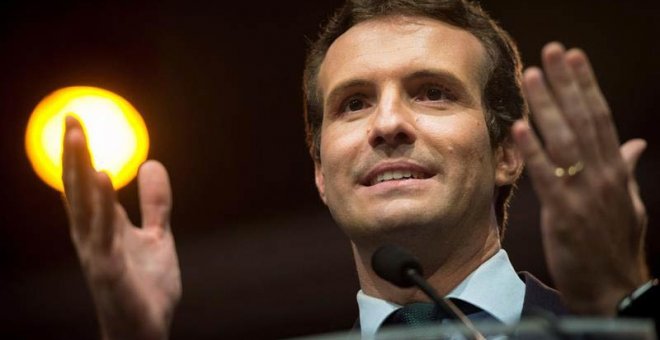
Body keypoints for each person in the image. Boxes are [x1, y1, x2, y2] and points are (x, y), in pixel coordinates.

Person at [61, 0, 653, 339]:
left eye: (433, 93)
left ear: (507, 154)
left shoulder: (615, 319)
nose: (386, 124)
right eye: (353, 103)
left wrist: (617, 305)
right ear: (321, 173)